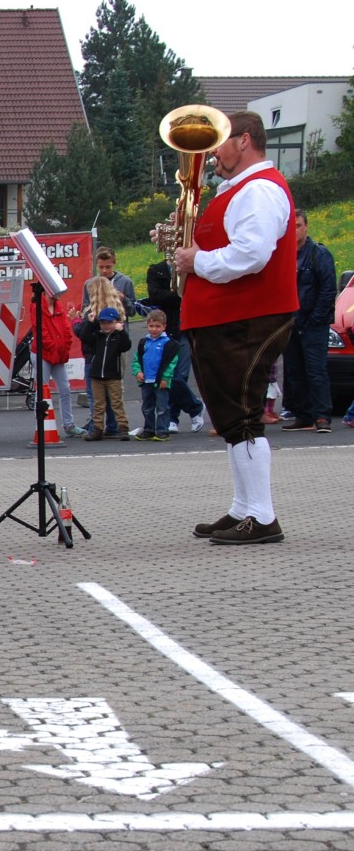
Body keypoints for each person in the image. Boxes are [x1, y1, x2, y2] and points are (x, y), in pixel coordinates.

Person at [171, 110, 298, 544]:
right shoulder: (240, 190)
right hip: (228, 317)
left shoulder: (259, 189)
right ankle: (244, 509)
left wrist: (197, 260)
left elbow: (252, 255)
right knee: (232, 418)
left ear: (244, 140)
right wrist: (185, 245)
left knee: (243, 417)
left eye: (219, 142)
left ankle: (261, 516)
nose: (212, 154)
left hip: (244, 317)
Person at [282, 209, 336, 432]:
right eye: (290, 227)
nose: (294, 231)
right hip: (289, 323)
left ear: (306, 227)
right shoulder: (281, 255)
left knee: (316, 371)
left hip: (313, 324)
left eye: (298, 226)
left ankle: (322, 416)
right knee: (294, 372)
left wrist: (314, 318)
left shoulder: (319, 254)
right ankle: (303, 415)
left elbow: (328, 289)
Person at [143, 259, 205, 433]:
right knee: (171, 376)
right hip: (167, 328)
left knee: (180, 375)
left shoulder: (191, 267)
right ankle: (193, 409)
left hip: (187, 326)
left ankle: (173, 417)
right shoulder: (156, 270)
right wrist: (179, 295)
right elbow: (155, 295)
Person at [75, 276, 126, 436]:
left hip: (94, 359)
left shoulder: (93, 313)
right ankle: (114, 426)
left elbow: (83, 334)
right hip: (114, 360)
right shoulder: (116, 310)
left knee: (95, 397)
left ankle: (96, 427)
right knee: (113, 397)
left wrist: (75, 321)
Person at [79, 306, 132, 442]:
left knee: (116, 403)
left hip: (113, 376)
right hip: (97, 376)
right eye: (103, 323)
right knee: (98, 404)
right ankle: (97, 429)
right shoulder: (97, 337)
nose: (106, 325)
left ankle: (123, 428)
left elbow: (127, 345)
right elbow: (84, 336)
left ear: (116, 322)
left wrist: (122, 331)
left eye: (109, 322)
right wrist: (90, 322)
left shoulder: (118, 337)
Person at [37, 293, 86, 437]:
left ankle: (69, 425)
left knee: (65, 389)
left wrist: (64, 347)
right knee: (42, 390)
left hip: (57, 352)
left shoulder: (58, 307)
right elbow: (41, 331)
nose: (59, 294)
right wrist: (54, 347)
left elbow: (65, 329)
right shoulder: (37, 307)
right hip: (44, 353)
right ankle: (42, 426)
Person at [131, 309, 179, 441]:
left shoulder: (168, 343)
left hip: (160, 381)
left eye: (158, 326)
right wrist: (138, 371)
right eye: (151, 326)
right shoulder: (144, 342)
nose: (154, 329)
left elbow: (171, 363)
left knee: (162, 408)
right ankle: (149, 430)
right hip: (146, 381)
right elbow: (137, 359)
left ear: (164, 327)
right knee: (147, 407)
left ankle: (162, 430)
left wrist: (165, 377)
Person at [95, 246, 143, 318]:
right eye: (101, 267)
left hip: (120, 324)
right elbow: (86, 310)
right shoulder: (90, 284)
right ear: (96, 265)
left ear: (114, 263)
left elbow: (133, 312)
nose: (104, 270)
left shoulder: (126, 282)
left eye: (108, 267)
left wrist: (124, 299)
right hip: (97, 324)